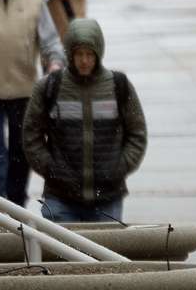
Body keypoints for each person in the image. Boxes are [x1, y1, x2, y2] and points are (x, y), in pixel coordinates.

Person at [23, 18, 146, 222]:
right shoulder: (50, 87)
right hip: (60, 198)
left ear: (98, 54)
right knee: (62, 253)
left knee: (103, 254)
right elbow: (31, 135)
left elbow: (137, 134)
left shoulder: (119, 86)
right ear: (70, 54)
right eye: (79, 54)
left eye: (90, 54)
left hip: (107, 197)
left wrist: (120, 166)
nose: (84, 60)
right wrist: (51, 169)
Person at [0, 0, 65, 206]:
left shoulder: (33, 2)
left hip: (24, 90)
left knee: (21, 152)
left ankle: (17, 203)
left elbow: (50, 39)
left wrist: (54, 64)